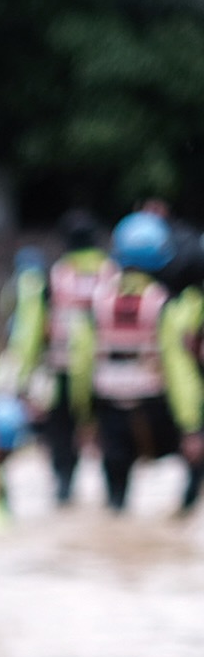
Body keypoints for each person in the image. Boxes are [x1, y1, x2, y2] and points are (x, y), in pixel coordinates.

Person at [73, 211, 204, 515]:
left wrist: (85, 418)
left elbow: (82, 366)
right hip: (158, 411)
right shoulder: (165, 303)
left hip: (110, 413)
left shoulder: (97, 303)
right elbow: (179, 370)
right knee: (193, 476)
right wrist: (192, 426)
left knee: (116, 504)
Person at [37, 213, 108, 502]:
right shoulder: (112, 272)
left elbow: (35, 327)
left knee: (61, 429)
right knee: (106, 432)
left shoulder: (55, 274)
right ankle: (113, 493)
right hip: (104, 371)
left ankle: (65, 485)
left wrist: (27, 370)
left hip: (62, 367)